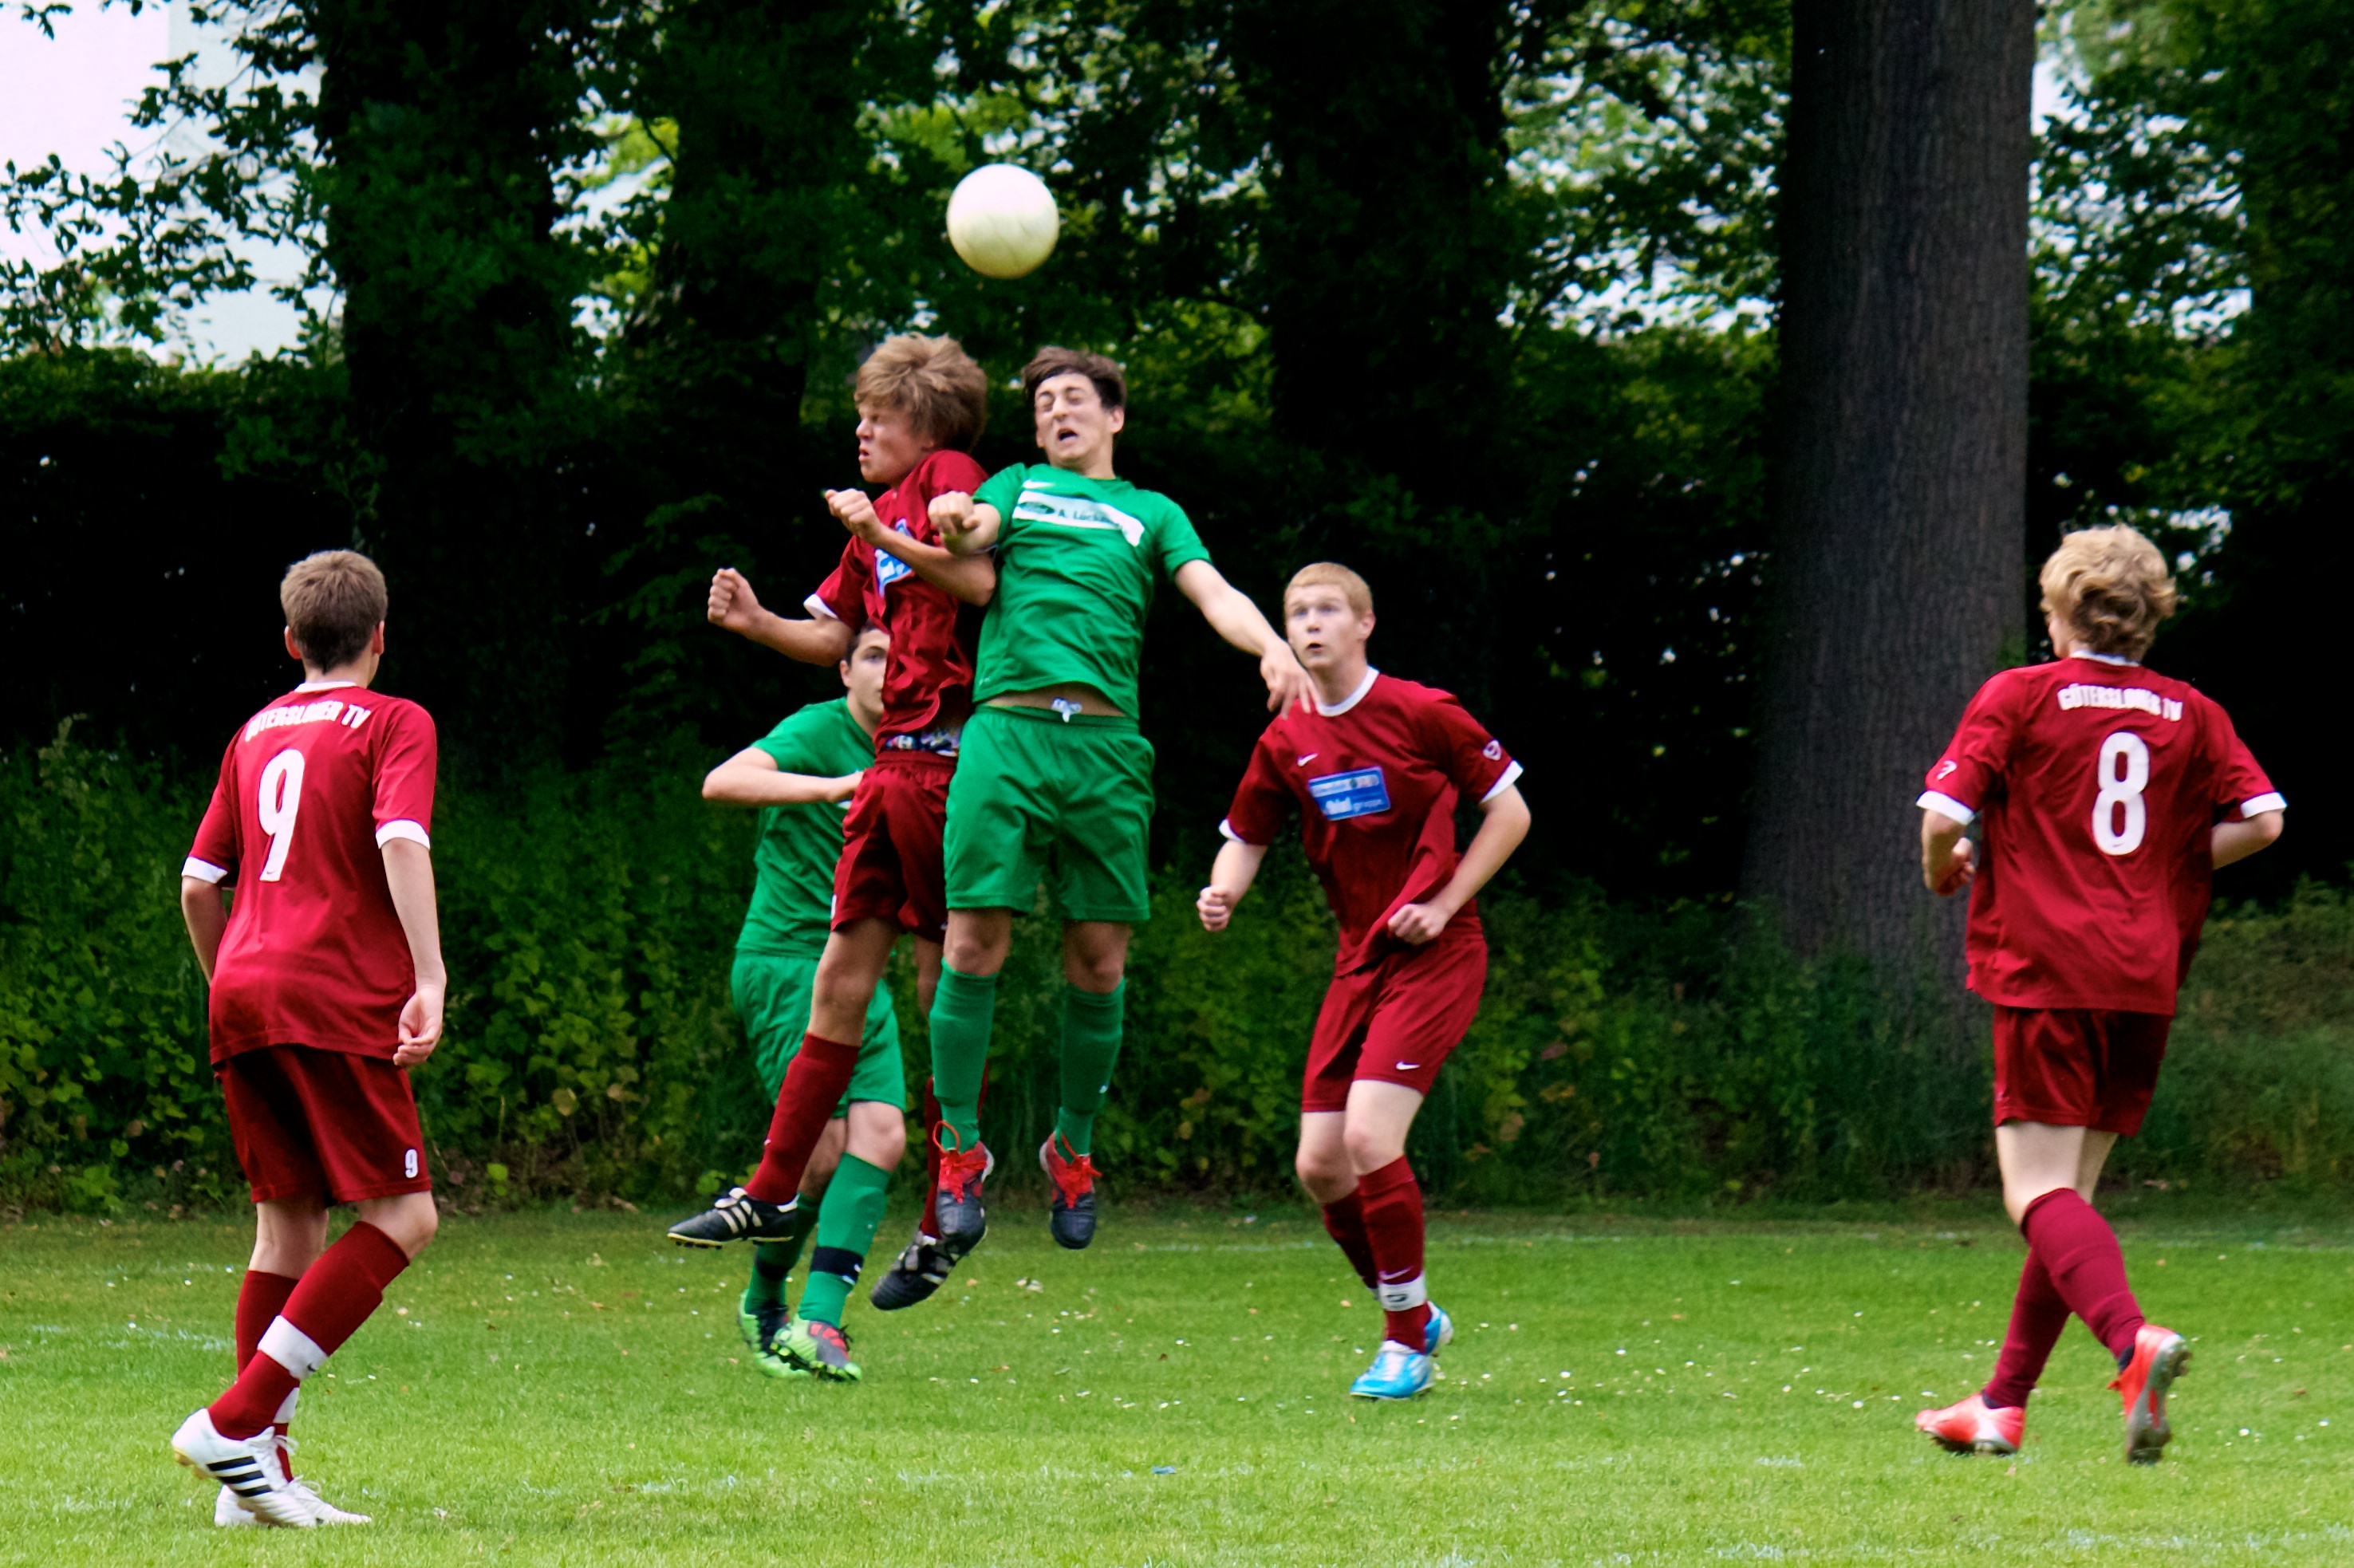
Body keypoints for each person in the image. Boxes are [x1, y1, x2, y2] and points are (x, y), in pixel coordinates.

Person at [915, 345, 1313, 1269]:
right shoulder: (1017, 486)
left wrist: (1269, 647)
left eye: (1072, 399)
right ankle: (959, 1151)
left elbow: (1212, 590)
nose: (1055, 412)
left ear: (1113, 416)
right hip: (1007, 734)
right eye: (1042, 404)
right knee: (972, 943)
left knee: (1097, 961)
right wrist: (955, 516)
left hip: (1104, 749)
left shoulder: (1152, 512)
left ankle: (1071, 1147)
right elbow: (972, 531)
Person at [1911, 524, 2284, 1464]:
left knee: (2033, 1192)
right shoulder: (2191, 712)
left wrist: (1940, 866)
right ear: (2149, 618)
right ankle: (2000, 1404)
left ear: (2055, 613)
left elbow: (1943, 814)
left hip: (2045, 967)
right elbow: (2263, 820)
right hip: (2141, 973)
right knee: (2067, 1198)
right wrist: (2164, 866)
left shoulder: (2021, 695)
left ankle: (2130, 1341)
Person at [668, 333, 996, 1347]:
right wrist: (756, 621)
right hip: (895, 764)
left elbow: (976, 580)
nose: (860, 430)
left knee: (943, 986)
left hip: (948, 762)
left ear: (923, 423)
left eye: (877, 416)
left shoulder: (947, 476)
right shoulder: (874, 522)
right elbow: (830, 635)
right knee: (840, 979)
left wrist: (887, 528)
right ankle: (771, 1189)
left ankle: (955, 1184)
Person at [1197, 562, 1528, 1401]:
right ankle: (1413, 1313)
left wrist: (1442, 903)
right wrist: (1223, 891)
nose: (1310, 624)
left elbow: (1510, 812)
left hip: (1437, 953)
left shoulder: (1422, 712)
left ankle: (1403, 1341)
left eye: (1326, 610)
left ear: (1364, 624)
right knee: (1319, 1165)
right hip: (1360, 959)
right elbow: (1245, 833)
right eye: (1296, 613)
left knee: (1370, 1140)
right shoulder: (1287, 736)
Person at [168, 550, 444, 1527]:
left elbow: (198, 884)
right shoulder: (395, 721)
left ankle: (255, 1481)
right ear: (380, 636)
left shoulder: (252, 732)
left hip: (243, 991)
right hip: (333, 993)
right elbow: (400, 838)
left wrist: (236, 983)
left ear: (291, 641)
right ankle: (235, 1421)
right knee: (405, 1216)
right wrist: (428, 976)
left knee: (286, 1228)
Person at [695, 624, 908, 1381]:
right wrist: (830, 785)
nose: (888, 671)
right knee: (818, 1157)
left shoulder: (920, 748)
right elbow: (722, 782)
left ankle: (819, 1321)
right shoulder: (820, 731)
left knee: (882, 1136)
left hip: (862, 963)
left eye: (901, 658)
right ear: (844, 669)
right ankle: (764, 1301)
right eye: (874, 656)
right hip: (786, 963)